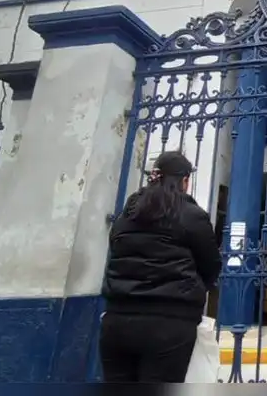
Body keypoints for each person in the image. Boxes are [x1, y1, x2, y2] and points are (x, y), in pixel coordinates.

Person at [99, 151, 223, 383]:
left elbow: (115, 252)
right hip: (169, 323)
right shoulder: (191, 215)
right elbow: (211, 265)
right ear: (184, 181)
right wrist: (190, 288)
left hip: (117, 319)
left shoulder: (126, 216)